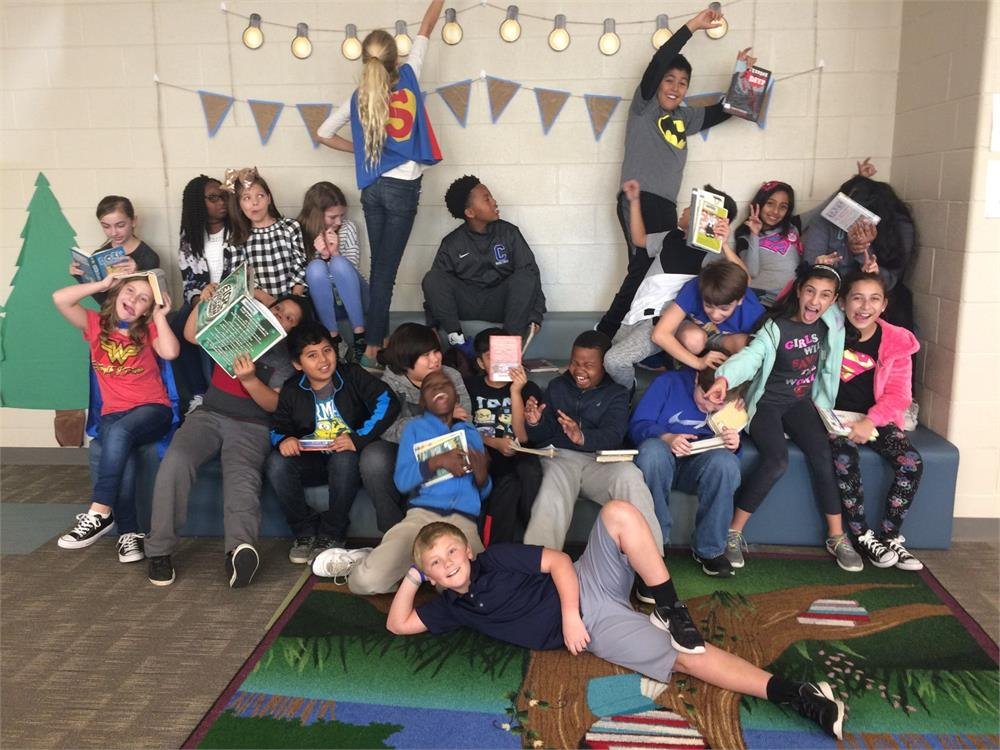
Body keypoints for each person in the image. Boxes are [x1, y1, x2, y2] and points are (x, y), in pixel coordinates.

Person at [387, 501, 846, 741]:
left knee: (618, 512)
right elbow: (398, 625)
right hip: (599, 625)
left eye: (452, 551)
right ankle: (799, 695)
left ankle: (670, 607)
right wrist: (412, 575)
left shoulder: (497, 558)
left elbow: (560, 562)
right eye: (435, 563)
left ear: (468, 551)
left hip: (583, 584)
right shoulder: (452, 607)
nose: (447, 563)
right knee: (685, 658)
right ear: (431, 576)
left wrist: (569, 615)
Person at [597, 6, 749, 339]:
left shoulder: (685, 117)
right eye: (669, 80)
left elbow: (726, 110)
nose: (675, 87)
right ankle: (605, 336)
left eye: (683, 83)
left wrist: (743, 76)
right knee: (641, 266)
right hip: (638, 198)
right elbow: (659, 60)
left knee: (658, 269)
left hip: (666, 204)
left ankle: (647, 336)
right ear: (658, 83)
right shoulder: (644, 107)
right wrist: (694, 25)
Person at [145, 290, 311, 588]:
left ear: (293, 329)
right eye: (279, 309)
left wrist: (250, 379)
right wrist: (204, 302)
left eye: (289, 318)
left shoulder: (286, 359)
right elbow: (192, 335)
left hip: (252, 425)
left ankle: (239, 552)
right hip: (209, 414)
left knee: (242, 478)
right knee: (176, 461)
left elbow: (274, 404)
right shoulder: (240, 327)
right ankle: (159, 551)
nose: (281, 316)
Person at [706, 264, 864, 572]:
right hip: (767, 404)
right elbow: (750, 357)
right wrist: (724, 378)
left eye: (825, 295)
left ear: (834, 301)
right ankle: (732, 533)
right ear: (799, 291)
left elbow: (865, 306)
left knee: (823, 455)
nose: (815, 301)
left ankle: (836, 536)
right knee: (777, 461)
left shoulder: (833, 322)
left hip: (801, 403)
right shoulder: (775, 327)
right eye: (810, 291)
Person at [316, 0, 445, 368]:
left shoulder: (359, 97)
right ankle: (373, 347)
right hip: (402, 191)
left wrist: (359, 151)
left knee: (380, 269)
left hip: (373, 189)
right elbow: (427, 26)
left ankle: (376, 339)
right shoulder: (410, 74)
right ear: (394, 58)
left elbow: (323, 132)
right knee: (385, 272)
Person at [312, 369, 490, 595]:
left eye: (445, 385)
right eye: (431, 387)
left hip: (462, 521)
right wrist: (434, 462)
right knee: (364, 583)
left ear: (456, 396)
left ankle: (419, 567)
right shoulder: (414, 430)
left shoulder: (470, 432)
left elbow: (483, 492)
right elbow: (403, 482)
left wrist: (483, 478)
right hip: (421, 517)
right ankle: (373, 559)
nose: (439, 389)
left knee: (472, 591)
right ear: (423, 402)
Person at [52, 271, 179, 563]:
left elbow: (171, 352)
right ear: (118, 292)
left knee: (119, 434)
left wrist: (160, 316)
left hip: (153, 410)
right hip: (114, 413)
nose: (133, 300)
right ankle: (130, 534)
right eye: (130, 291)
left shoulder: (149, 330)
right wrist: (101, 284)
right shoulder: (96, 324)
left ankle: (99, 511)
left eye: (143, 298)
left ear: (147, 309)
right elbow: (60, 298)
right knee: (121, 451)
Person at [265, 321, 400, 564]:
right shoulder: (292, 389)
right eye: (312, 355)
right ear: (298, 364)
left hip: (348, 458)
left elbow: (387, 400)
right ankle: (304, 532)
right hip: (312, 461)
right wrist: (285, 439)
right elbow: (277, 427)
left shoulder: (351, 375)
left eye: (327, 350)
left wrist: (358, 439)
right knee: (276, 462)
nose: (323, 360)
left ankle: (331, 533)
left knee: (344, 458)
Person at [518, 331, 663, 555]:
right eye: (575, 363)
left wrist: (582, 437)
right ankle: (539, 564)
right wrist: (534, 422)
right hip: (561, 458)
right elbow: (541, 436)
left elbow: (614, 435)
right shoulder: (558, 386)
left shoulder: (617, 393)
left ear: (604, 365)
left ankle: (651, 561)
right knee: (551, 488)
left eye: (588, 365)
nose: (579, 370)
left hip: (600, 461)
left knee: (631, 476)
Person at [603, 179, 750, 389]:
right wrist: (634, 202)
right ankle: (656, 361)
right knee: (609, 356)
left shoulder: (712, 254)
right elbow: (639, 239)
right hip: (636, 314)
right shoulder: (670, 237)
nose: (685, 210)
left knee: (614, 360)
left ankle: (625, 396)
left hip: (661, 321)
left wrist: (724, 244)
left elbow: (744, 280)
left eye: (691, 207)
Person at [831, 271, 924, 570]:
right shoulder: (829, 331)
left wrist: (870, 421)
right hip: (834, 418)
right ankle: (861, 535)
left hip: (877, 417)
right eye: (857, 298)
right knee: (844, 456)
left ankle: (890, 536)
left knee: (911, 462)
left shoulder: (896, 341)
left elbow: (899, 394)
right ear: (843, 302)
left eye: (874, 299)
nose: (864, 307)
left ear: (883, 305)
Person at [361, 323, 473, 534]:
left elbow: (466, 420)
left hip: (442, 446)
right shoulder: (389, 383)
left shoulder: (451, 377)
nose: (435, 359)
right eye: (425, 355)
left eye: (436, 351)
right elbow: (388, 428)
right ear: (406, 361)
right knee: (373, 457)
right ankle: (393, 532)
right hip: (399, 447)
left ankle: (427, 534)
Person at [630, 367, 741, 576]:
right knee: (652, 452)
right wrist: (667, 437)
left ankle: (710, 550)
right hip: (660, 461)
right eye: (704, 397)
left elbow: (732, 457)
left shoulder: (733, 398)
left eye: (717, 405)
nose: (707, 407)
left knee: (726, 463)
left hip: (697, 467)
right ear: (696, 379)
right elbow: (637, 425)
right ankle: (655, 543)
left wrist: (734, 445)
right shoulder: (668, 382)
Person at [422, 176, 545, 356]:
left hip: (501, 303)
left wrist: (535, 316)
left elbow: (531, 274)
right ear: (470, 212)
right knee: (433, 278)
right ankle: (459, 345)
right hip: (467, 302)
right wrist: (432, 324)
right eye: (487, 199)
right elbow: (435, 289)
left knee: (525, 276)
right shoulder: (452, 243)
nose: (494, 202)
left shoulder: (509, 233)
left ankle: (506, 352)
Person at [803, 171, 916, 331]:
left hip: (875, 292)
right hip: (835, 288)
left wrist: (862, 251)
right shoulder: (824, 221)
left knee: (901, 300)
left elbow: (892, 279)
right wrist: (821, 266)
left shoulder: (898, 226)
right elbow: (808, 268)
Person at [465, 327, 544, 544]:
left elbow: (523, 437)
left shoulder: (528, 388)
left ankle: (533, 537)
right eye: (491, 357)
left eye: (506, 355)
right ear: (480, 363)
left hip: (519, 451)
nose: (500, 361)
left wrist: (515, 391)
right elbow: (461, 430)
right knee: (507, 483)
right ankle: (497, 546)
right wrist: (493, 442)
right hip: (484, 449)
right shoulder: (469, 387)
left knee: (529, 471)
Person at [172, 174, 236, 407]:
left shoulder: (237, 229)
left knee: (210, 325)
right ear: (198, 203)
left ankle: (216, 393)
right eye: (213, 198)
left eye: (224, 197)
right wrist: (201, 297)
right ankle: (198, 394)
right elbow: (188, 280)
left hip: (233, 297)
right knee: (177, 327)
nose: (222, 203)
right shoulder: (190, 236)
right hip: (203, 297)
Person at [298, 182, 369, 364]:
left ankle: (360, 336)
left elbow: (352, 269)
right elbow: (302, 276)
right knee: (315, 267)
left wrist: (335, 253)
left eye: (342, 215)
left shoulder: (348, 227)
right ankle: (333, 338)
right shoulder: (300, 231)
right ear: (316, 214)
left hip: (355, 298)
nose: (339, 222)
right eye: (332, 217)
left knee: (339, 263)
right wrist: (322, 255)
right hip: (324, 304)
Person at [223, 167, 307, 303]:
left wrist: (293, 300)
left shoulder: (290, 227)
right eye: (247, 198)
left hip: (292, 302)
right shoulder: (236, 239)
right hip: (258, 306)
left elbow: (300, 266)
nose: (255, 202)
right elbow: (241, 279)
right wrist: (271, 304)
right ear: (239, 206)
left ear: (269, 198)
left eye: (260, 196)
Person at [70, 195, 160, 305]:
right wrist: (81, 275)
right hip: (107, 314)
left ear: (133, 221)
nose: (113, 233)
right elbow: (102, 301)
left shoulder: (148, 257)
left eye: (120, 225)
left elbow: (151, 302)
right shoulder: (98, 256)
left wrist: (137, 273)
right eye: (106, 226)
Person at [733, 180, 803, 304]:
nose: (775, 211)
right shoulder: (744, 237)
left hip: (789, 301)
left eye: (783, 207)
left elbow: (824, 209)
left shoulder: (793, 226)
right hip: (759, 301)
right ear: (760, 203)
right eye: (770, 204)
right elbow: (752, 272)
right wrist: (754, 234)